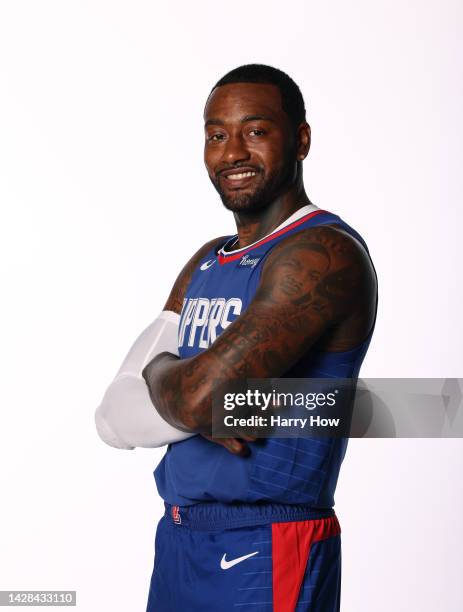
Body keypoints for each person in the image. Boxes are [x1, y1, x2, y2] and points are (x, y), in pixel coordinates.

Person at [95, 64, 378, 612]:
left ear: (301, 139)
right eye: (217, 135)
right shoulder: (207, 259)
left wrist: (160, 374)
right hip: (179, 537)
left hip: (267, 544)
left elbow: (200, 398)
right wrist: (189, 392)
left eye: (255, 130)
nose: (232, 153)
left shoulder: (321, 254)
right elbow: (111, 417)